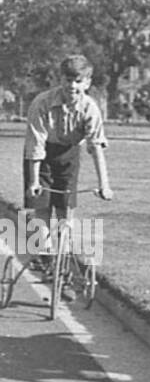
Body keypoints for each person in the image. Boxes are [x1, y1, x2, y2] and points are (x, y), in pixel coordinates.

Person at [23, 55, 114, 263]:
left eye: (78, 81)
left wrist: (104, 185)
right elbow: (35, 144)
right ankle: (44, 254)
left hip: (69, 154)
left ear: (87, 82)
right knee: (42, 204)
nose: (72, 86)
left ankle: (63, 262)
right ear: (60, 79)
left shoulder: (90, 109)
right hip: (42, 155)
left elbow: (96, 146)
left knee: (65, 206)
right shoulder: (42, 103)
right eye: (67, 80)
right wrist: (34, 181)